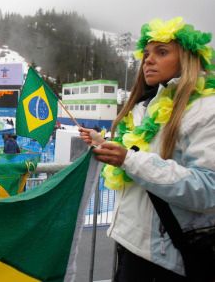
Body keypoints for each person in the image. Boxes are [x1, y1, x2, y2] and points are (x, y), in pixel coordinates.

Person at [79, 17, 215, 281]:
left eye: (162, 53)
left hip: (169, 259)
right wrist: (104, 143)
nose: (148, 60)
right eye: (147, 54)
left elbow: (208, 188)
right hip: (131, 246)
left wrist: (129, 160)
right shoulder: (145, 106)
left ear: (188, 58)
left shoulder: (206, 109)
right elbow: (142, 152)